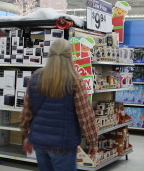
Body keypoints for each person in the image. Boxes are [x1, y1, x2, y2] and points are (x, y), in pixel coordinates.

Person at [20, 39, 98, 171]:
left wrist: (25, 136)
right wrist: (93, 141)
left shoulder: (36, 77)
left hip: (39, 142)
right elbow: (85, 116)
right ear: (69, 56)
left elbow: (26, 111)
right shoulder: (74, 80)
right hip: (63, 144)